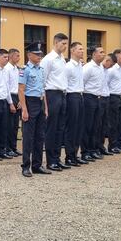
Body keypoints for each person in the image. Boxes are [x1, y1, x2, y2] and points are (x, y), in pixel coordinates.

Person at [19, 43, 49, 177]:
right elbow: (21, 90)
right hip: (30, 103)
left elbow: (43, 90)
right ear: (29, 55)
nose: (39, 56)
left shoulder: (41, 69)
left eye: (40, 54)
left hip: (40, 102)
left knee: (40, 136)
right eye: (37, 54)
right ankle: (26, 166)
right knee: (28, 137)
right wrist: (24, 109)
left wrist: (46, 108)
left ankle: (37, 165)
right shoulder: (25, 70)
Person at [41, 33, 70, 171]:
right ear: (56, 42)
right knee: (52, 128)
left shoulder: (62, 59)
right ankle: (50, 161)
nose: (65, 47)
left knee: (60, 128)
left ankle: (57, 158)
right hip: (52, 94)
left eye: (66, 44)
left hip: (62, 94)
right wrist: (45, 103)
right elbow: (43, 81)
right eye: (63, 44)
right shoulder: (48, 59)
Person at [81, 47, 106, 161]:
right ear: (94, 54)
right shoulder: (88, 68)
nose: (103, 54)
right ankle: (85, 152)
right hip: (88, 97)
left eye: (103, 52)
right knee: (87, 126)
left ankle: (93, 149)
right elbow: (82, 83)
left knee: (96, 126)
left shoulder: (100, 67)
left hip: (98, 98)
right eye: (101, 52)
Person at [64, 42, 86, 166]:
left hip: (80, 96)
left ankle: (75, 154)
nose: (82, 51)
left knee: (79, 127)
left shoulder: (79, 66)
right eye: (79, 49)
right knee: (71, 128)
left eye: (83, 49)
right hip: (71, 96)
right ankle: (69, 156)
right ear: (72, 51)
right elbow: (65, 84)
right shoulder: (68, 67)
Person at [5, 48, 23, 157]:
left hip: (17, 96)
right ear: (11, 56)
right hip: (9, 97)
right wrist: (11, 103)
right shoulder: (6, 69)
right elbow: (6, 87)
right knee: (9, 125)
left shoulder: (17, 69)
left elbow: (19, 86)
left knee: (15, 125)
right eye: (17, 56)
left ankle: (13, 147)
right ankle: (7, 148)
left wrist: (20, 100)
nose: (19, 58)